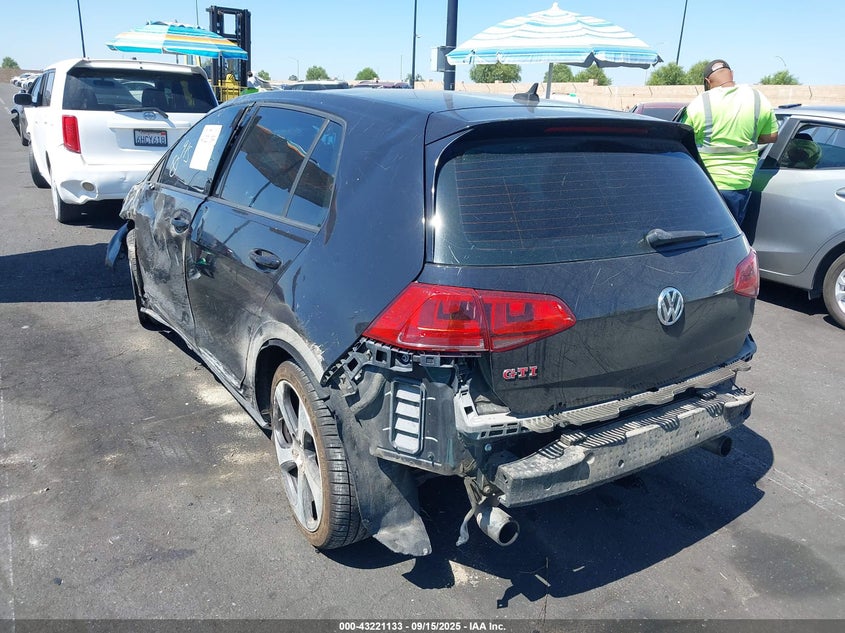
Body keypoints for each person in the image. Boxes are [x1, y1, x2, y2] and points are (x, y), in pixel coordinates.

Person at [680, 59, 779, 225]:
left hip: (706, 183)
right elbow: (772, 136)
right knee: (732, 234)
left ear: (707, 82)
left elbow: (682, 138)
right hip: (740, 183)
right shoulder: (758, 98)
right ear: (732, 74)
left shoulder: (699, 103)